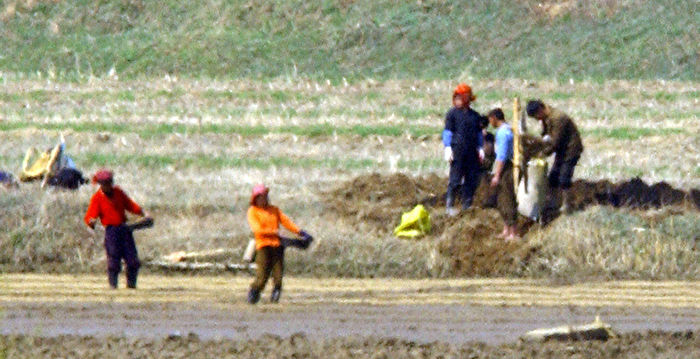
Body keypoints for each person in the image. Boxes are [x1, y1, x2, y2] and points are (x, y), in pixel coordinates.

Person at [84, 170, 152, 289]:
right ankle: (113, 286)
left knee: (133, 261)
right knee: (113, 261)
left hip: (125, 229)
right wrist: (91, 221)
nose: (109, 185)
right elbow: (90, 216)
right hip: (111, 232)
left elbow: (130, 205)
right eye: (106, 183)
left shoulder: (119, 193)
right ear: (101, 184)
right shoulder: (97, 198)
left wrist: (143, 213)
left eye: (110, 182)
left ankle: (131, 286)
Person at [246, 184, 312, 304]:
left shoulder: (274, 210)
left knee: (278, 275)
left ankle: (275, 297)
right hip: (263, 246)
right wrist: (274, 232)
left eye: (265, 196)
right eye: (260, 197)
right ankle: (254, 293)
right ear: (255, 198)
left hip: (277, 245)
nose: (263, 199)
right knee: (262, 277)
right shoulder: (253, 212)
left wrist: (300, 232)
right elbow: (257, 230)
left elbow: (286, 222)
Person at [526, 100, 584, 213]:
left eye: (536, 117)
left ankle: (568, 205)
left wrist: (542, 154)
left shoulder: (558, 118)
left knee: (564, 178)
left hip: (571, 150)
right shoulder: (546, 117)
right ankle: (554, 202)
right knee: (553, 178)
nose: (537, 120)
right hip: (562, 150)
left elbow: (555, 142)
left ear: (540, 110)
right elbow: (546, 135)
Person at [442, 83, 485, 216]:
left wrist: (480, 148)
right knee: (455, 178)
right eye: (457, 97)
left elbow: (478, 134)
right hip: (457, 150)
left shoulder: (475, 116)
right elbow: (447, 132)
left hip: (471, 151)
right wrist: (448, 147)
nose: (458, 100)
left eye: (461, 97)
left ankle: (467, 205)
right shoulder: (452, 114)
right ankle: (450, 205)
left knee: (471, 179)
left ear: (467, 98)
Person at [487, 108, 518, 241]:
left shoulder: (503, 133)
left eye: (490, 120)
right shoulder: (507, 130)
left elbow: (502, 156)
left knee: (507, 199)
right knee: (501, 200)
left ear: (494, 118)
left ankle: (513, 232)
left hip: (506, 168)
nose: (490, 123)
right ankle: (506, 229)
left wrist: (497, 175)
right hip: (505, 167)